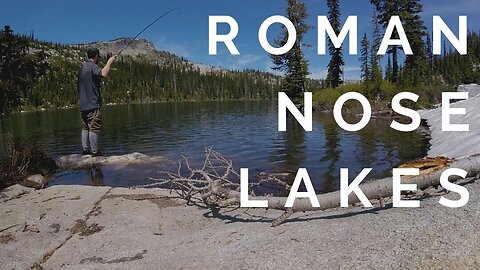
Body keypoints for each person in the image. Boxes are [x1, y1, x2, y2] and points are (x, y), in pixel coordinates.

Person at [77, 48, 116, 156]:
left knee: (85, 127)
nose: (98, 59)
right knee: (94, 128)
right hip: (93, 104)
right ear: (95, 56)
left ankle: (85, 150)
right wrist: (109, 62)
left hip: (83, 105)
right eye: (98, 57)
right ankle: (95, 152)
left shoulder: (81, 68)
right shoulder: (93, 66)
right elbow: (103, 74)